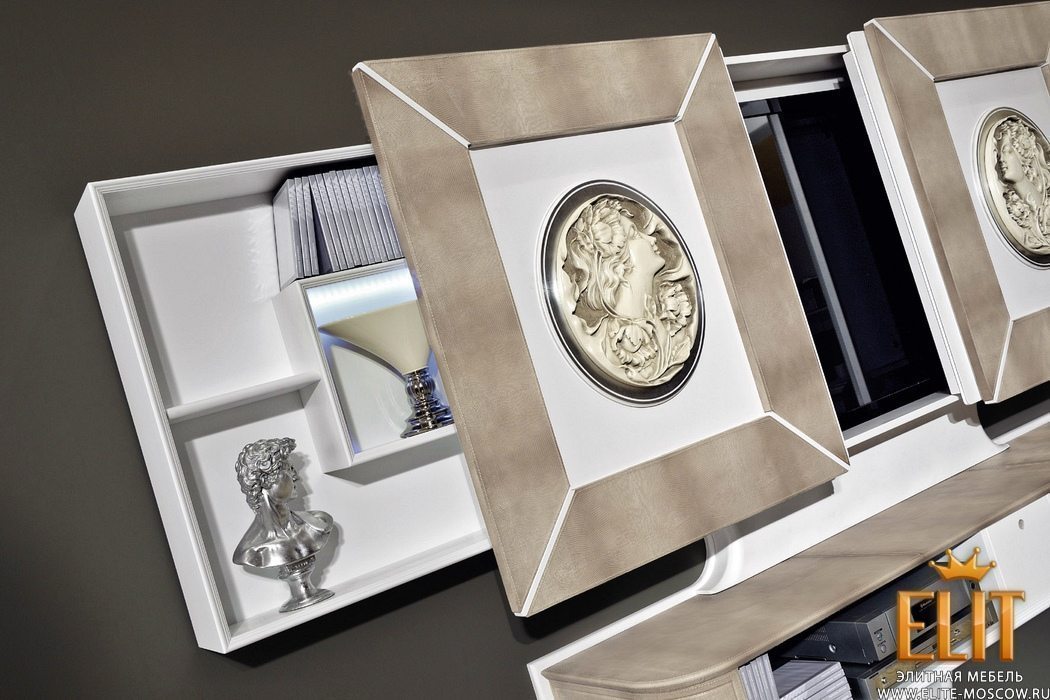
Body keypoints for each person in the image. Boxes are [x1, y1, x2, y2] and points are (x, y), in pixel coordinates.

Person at [561, 195, 696, 386]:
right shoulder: (609, 342)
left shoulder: (669, 324)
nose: (651, 239)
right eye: (634, 235)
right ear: (617, 266)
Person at [993, 117, 1050, 254]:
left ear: (1022, 155)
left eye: (1007, 151)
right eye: (999, 155)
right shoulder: (1013, 206)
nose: (1001, 159)